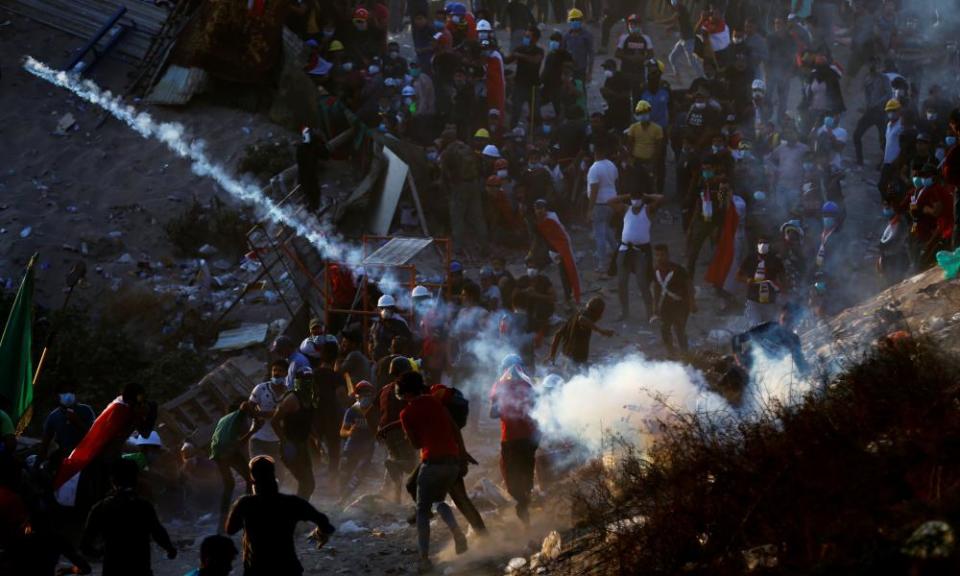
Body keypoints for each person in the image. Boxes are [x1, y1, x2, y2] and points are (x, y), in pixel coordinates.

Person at [398, 371, 469, 572]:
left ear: (404, 392)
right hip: (452, 463)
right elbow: (453, 428)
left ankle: (424, 558)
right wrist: (462, 455)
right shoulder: (435, 402)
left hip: (431, 463)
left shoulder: (406, 413)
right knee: (439, 501)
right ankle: (457, 532)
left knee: (422, 510)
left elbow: (416, 444)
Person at [226, 456, 336, 576]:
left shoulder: (245, 504)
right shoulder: (291, 503)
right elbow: (325, 522)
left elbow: (230, 530)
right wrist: (319, 534)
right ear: (274, 477)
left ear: (253, 480)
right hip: (288, 568)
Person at [81, 459, 178, 576]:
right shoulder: (143, 506)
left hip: (112, 569)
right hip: (140, 569)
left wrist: (102, 554)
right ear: (135, 479)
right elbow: (158, 532)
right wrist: (169, 549)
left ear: (112, 480)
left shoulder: (100, 507)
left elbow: (85, 546)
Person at [490, 354, 539, 525]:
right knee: (527, 473)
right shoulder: (528, 384)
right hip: (529, 437)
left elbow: (493, 413)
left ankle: (523, 507)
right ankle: (526, 509)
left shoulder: (499, 386)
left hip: (510, 438)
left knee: (511, 478)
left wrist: (506, 405)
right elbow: (538, 408)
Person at [613, 188, 664, 321]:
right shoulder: (626, 209)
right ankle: (625, 312)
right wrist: (627, 194)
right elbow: (610, 201)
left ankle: (650, 313)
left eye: (637, 198)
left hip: (640, 252)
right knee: (621, 282)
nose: (635, 201)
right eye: (633, 198)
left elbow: (660, 198)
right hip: (625, 249)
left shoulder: (647, 210)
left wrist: (646, 195)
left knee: (643, 283)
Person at [377, 356, 418, 503]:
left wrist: (378, 429)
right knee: (410, 464)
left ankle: (397, 499)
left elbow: (370, 412)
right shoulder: (404, 390)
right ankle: (411, 498)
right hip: (400, 431)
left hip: (386, 433)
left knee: (398, 466)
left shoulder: (384, 389)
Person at [273, 368, 318, 500]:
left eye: (310, 379)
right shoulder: (292, 399)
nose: (308, 382)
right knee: (307, 483)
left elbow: (307, 422)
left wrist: (316, 439)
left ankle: (298, 513)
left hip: (302, 446)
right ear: (298, 381)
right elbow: (275, 421)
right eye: (305, 380)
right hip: (291, 447)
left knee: (309, 484)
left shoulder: (309, 398)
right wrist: (285, 442)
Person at [209, 401, 255, 526]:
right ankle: (247, 514)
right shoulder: (238, 416)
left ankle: (222, 522)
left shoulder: (224, 420)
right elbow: (245, 405)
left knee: (229, 484)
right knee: (251, 480)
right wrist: (254, 426)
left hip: (216, 452)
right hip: (228, 450)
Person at [338, 380, 378, 504]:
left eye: (368, 393)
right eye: (362, 393)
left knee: (360, 475)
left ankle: (345, 498)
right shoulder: (352, 411)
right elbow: (342, 432)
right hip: (352, 447)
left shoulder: (376, 411)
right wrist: (350, 432)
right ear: (357, 395)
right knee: (345, 473)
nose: (365, 397)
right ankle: (341, 498)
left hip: (367, 448)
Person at [39, 381, 95, 467]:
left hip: (84, 456)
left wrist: (77, 422)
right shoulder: (53, 416)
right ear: (57, 396)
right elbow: (45, 443)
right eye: (64, 392)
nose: (68, 395)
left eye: (71, 392)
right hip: (63, 457)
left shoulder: (86, 410)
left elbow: (94, 435)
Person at [651, 244, 694, 354]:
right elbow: (656, 287)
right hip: (665, 305)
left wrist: (692, 303)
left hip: (680, 304)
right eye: (657, 255)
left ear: (668, 255)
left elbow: (689, 285)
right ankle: (671, 352)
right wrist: (655, 305)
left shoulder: (678, 270)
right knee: (664, 329)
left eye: (662, 255)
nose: (660, 258)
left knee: (679, 329)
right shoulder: (656, 270)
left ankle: (685, 353)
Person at [548, 296, 614, 367]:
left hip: (563, 358)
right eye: (601, 313)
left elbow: (558, 334)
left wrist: (552, 356)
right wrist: (601, 331)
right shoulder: (584, 318)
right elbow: (582, 320)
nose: (601, 316)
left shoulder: (575, 316)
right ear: (596, 312)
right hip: (575, 363)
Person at [586, 139, 620, 273]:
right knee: (607, 229)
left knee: (599, 234)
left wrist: (589, 209)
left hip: (600, 204)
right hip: (612, 201)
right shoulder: (611, 165)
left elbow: (594, 189)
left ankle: (602, 264)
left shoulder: (594, 168)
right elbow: (616, 182)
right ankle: (617, 251)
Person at [737, 236, 786, 327]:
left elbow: (783, 279)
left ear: (769, 245)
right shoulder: (750, 258)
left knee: (770, 328)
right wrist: (747, 280)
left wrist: (780, 288)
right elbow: (739, 276)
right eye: (760, 243)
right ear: (757, 245)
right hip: (753, 300)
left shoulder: (776, 260)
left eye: (765, 243)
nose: (763, 245)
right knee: (754, 326)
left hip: (770, 301)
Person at [248, 360, 288, 463]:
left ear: (286, 373)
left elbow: (284, 414)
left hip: (276, 440)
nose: (276, 373)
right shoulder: (260, 388)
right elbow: (248, 408)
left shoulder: (289, 393)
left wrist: (261, 413)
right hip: (258, 439)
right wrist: (258, 415)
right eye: (274, 370)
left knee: (279, 475)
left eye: (280, 370)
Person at [369, 294, 413, 362]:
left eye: (388, 308)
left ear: (393, 308)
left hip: (394, 362)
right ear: (379, 309)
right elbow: (371, 340)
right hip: (377, 361)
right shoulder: (376, 324)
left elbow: (407, 343)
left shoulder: (400, 323)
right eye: (382, 308)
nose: (385, 310)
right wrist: (372, 353)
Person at [562, 8, 593, 83]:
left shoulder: (587, 36)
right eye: (572, 20)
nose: (574, 22)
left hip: (581, 69)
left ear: (581, 20)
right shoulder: (566, 36)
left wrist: (589, 73)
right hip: (568, 70)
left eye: (577, 19)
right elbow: (562, 53)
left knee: (580, 90)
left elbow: (591, 54)